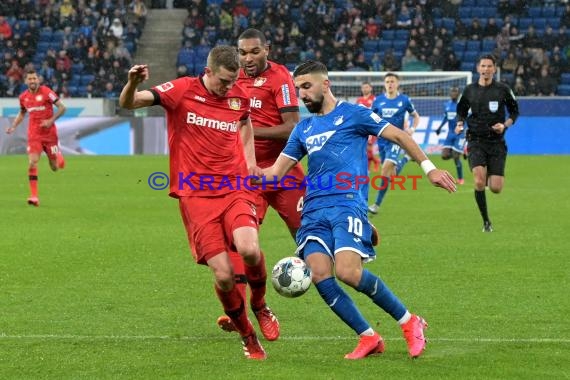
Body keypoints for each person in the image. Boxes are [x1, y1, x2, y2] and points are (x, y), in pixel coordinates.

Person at [258, 60, 456, 359]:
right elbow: (274, 173)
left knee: (349, 272)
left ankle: (410, 321)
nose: (302, 94)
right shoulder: (303, 129)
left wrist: (429, 169)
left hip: (346, 203)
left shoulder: (354, 114)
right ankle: (368, 337)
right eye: (298, 89)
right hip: (312, 211)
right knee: (320, 274)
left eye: (307, 87)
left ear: (326, 85)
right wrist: (244, 160)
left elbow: (400, 136)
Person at [118, 46, 275, 360]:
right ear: (208, 71)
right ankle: (247, 334)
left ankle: (260, 304)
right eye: (223, 81)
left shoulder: (238, 95)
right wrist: (133, 82)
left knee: (249, 248)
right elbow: (129, 104)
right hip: (196, 195)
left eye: (232, 81)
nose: (228, 87)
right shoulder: (181, 90)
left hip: (234, 187)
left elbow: (246, 123)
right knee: (224, 275)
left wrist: (249, 162)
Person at [215, 28, 303, 341]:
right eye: (243, 53)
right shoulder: (229, 79)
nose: (248, 58)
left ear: (267, 49)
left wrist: (248, 130)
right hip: (245, 175)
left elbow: (293, 127)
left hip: (281, 170)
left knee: (308, 233)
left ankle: (352, 245)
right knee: (239, 243)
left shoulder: (281, 78)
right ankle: (244, 307)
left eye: (254, 52)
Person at [455, 54, 519, 232]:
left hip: (496, 142)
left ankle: (489, 169)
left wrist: (504, 125)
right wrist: (460, 123)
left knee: (496, 188)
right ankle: (486, 222)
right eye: (483, 66)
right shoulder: (469, 90)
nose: (486, 69)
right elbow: (460, 111)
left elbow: (514, 112)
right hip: (475, 140)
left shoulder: (503, 90)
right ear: (478, 68)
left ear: (495, 69)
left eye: (489, 66)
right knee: (478, 182)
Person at [5, 69, 66, 207]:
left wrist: (51, 120)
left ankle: (58, 156)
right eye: (30, 79)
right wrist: (13, 126)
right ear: (26, 81)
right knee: (32, 162)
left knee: (55, 167)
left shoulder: (46, 92)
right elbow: (22, 113)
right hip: (34, 135)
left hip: (50, 135)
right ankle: (34, 196)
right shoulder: (23, 97)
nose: (32, 81)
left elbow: (62, 108)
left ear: (38, 80)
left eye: (34, 79)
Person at [368, 73, 420, 214]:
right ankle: (406, 158)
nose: (390, 84)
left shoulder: (404, 100)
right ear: (384, 84)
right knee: (392, 174)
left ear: (397, 84)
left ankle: (376, 205)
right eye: (387, 81)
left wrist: (412, 129)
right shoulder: (378, 101)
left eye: (392, 81)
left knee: (384, 170)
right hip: (382, 141)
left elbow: (415, 116)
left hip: (397, 140)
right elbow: (369, 118)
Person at [435, 86, 465, 185]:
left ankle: (460, 179)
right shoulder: (447, 105)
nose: (453, 94)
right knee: (444, 156)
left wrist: (466, 130)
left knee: (456, 157)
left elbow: (467, 119)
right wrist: (439, 127)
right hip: (450, 133)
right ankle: (463, 152)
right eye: (451, 92)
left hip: (460, 134)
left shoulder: (462, 105)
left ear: (458, 94)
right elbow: (445, 118)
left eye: (455, 92)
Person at [356, 81, 380, 173]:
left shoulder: (375, 99)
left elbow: (378, 113)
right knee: (364, 148)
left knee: (369, 146)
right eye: (363, 87)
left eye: (367, 87)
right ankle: (368, 168)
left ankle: (375, 162)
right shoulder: (359, 100)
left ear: (371, 88)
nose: (365, 89)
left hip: (371, 126)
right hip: (361, 126)